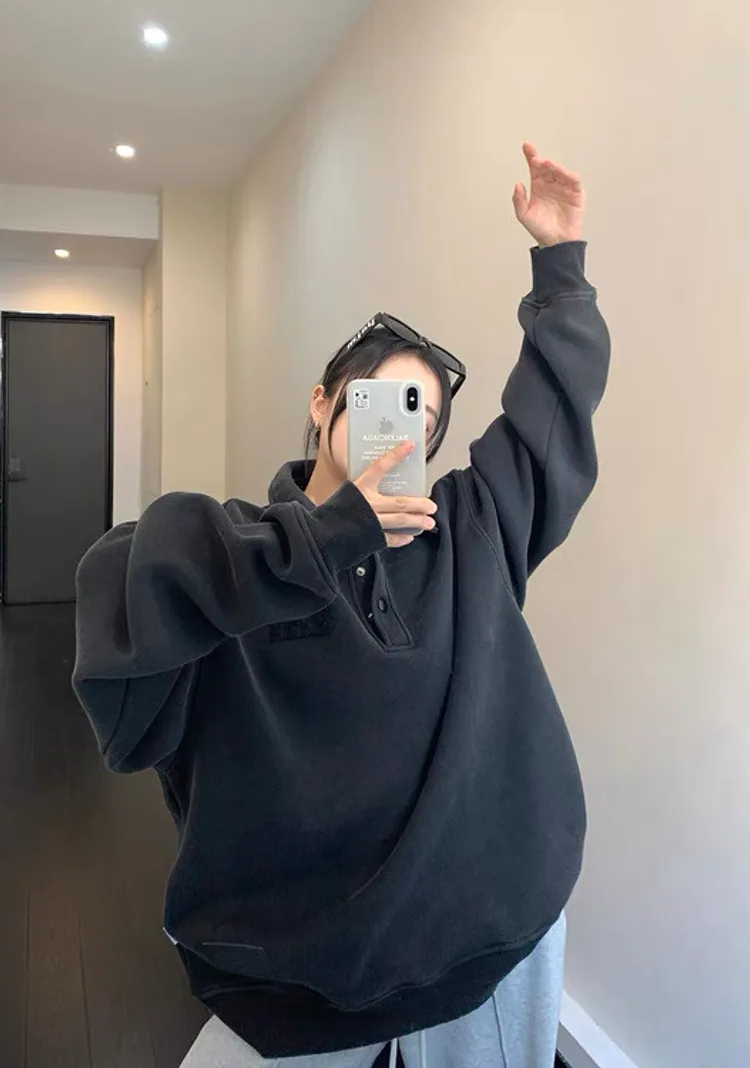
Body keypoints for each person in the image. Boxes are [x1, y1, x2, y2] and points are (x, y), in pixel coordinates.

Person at [73, 144, 609, 1068]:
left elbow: (549, 419)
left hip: (490, 937)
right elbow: (121, 592)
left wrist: (559, 268)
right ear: (322, 403)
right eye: (383, 401)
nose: (406, 430)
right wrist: (321, 539)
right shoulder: (236, 550)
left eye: (424, 420)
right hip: (295, 981)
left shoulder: (469, 531)